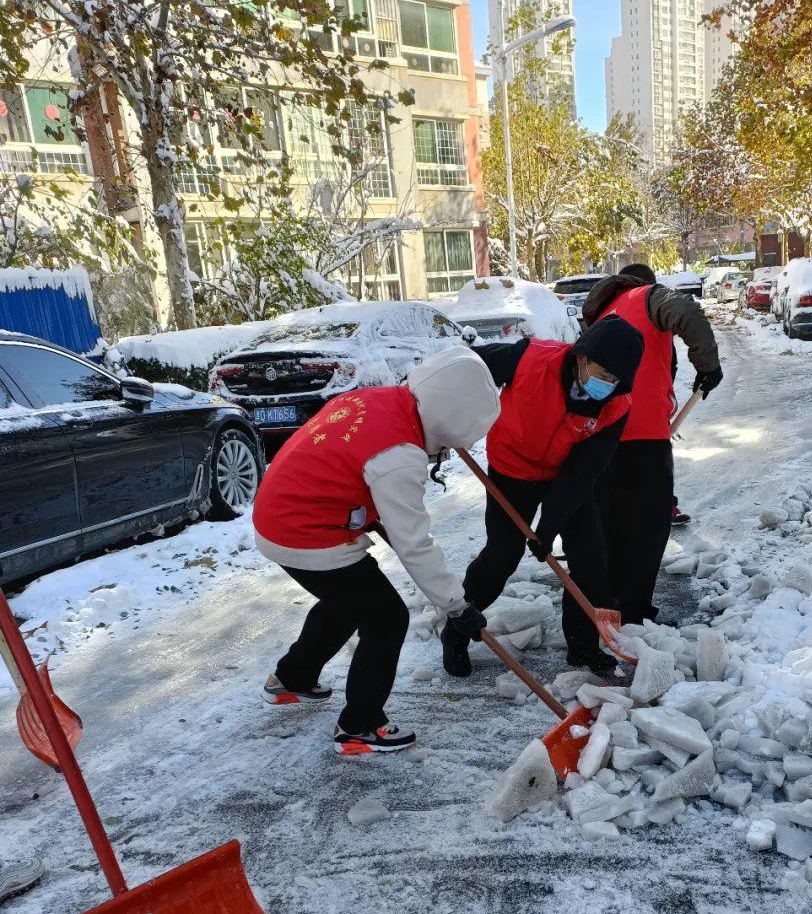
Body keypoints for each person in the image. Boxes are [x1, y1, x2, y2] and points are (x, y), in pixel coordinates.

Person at [252, 344, 500, 757]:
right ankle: (360, 726)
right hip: (307, 529)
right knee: (386, 616)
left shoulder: (377, 398)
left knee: (346, 600)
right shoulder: (399, 455)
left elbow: (350, 467)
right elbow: (414, 543)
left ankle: (292, 679)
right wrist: (457, 607)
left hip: (279, 515)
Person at [441, 316, 645, 681]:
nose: (607, 385)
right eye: (603, 373)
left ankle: (583, 647)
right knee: (502, 557)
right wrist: (444, 408)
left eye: (615, 380)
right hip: (511, 469)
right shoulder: (531, 360)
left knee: (591, 559)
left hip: (564, 475)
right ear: (582, 358)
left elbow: (585, 470)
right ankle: (456, 630)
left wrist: (550, 524)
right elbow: (468, 367)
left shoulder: (616, 406)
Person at [581, 264, 723, 624]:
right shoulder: (647, 297)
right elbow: (687, 311)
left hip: (602, 437)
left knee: (612, 526)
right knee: (648, 526)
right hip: (643, 438)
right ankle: (632, 612)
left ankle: (605, 607)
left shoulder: (601, 314)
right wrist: (707, 365)